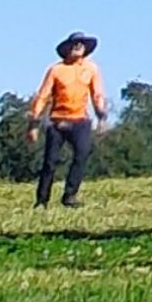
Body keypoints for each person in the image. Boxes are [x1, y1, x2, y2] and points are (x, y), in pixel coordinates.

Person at [29, 32, 109, 208]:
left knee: (82, 154)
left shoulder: (91, 69)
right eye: (74, 44)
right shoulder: (56, 70)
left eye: (81, 44)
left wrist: (101, 116)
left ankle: (70, 195)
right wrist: (34, 123)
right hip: (57, 121)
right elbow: (43, 96)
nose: (77, 47)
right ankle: (42, 200)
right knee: (50, 162)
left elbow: (97, 94)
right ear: (66, 49)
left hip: (80, 119)